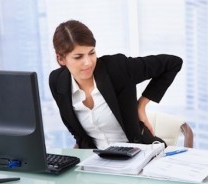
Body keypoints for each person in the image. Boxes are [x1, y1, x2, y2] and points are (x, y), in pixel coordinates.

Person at [49, 19, 183, 149]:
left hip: (140, 153)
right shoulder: (57, 81)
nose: (88, 62)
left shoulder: (117, 68)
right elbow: (78, 134)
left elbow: (172, 63)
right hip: (97, 161)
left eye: (92, 53)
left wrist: (141, 105)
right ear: (61, 59)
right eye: (78, 57)